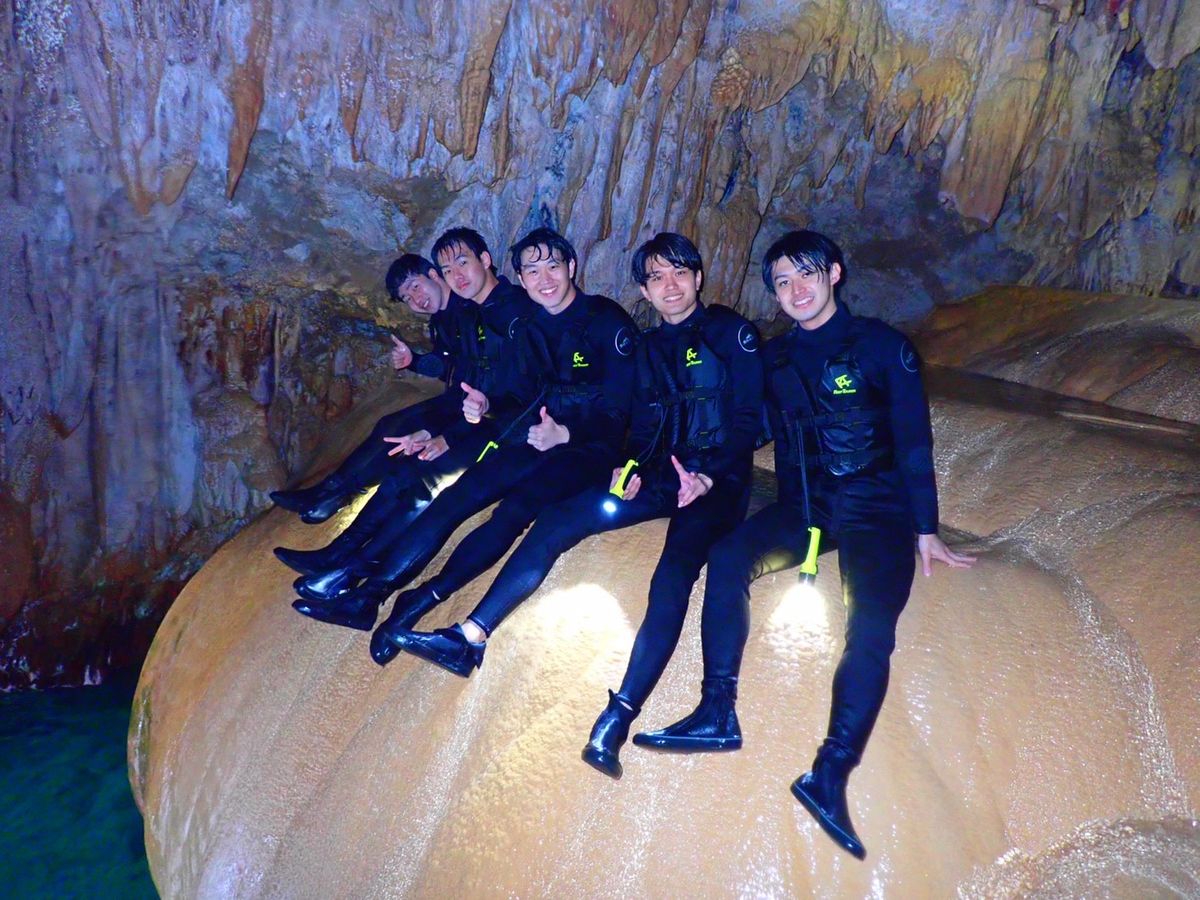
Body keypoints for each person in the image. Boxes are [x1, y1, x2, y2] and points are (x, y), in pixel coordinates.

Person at [632, 229, 976, 858]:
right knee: (727, 556)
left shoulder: (884, 347)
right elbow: (742, 423)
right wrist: (691, 470)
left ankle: (830, 771)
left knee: (869, 626)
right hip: (806, 509)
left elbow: (913, 440)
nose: (795, 291)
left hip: (875, 512)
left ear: (834, 273)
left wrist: (926, 529)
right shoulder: (775, 359)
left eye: (806, 275)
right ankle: (717, 711)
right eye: (782, 282)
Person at [387, 233, 764, 782]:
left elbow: (750, 420)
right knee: (559, 519)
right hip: (665, 474)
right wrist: (631, 470)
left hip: (720, 480)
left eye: (679, 274)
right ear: (644, 290)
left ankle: (620, 715)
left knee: (673, 572)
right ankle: (469, 637)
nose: (670, 286)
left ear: (698, 278)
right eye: (656, 278)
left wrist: (709, 475)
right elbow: (643, 427)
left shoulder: (731, 333)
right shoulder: (648, 348)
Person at [294, 228, 637, 637]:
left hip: (585, 447)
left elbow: (624, 407)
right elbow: (523, 394)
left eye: (552, 267)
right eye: (532, 271)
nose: (544, 279)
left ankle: (413, 600)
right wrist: (487, 410)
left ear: (571, 267)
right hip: (532, 436)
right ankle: (368, 596)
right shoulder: (530, 324)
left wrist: (565, 434)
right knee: (453, 497)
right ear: (522, 278)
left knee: (506, 511)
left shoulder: (600, 320)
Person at [285, 229, 536, 626]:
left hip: (513, 432)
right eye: (449, 269)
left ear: (486, 260)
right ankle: (344, 563)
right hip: (485, 420)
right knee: (404, 472)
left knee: (426, 486)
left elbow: (517, 395)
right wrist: (439, 424)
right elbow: (473, 383)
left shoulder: (513, 312)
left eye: (462, 264)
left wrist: (447, 436)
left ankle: (360, 585)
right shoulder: (475, 313)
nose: (456, 276)